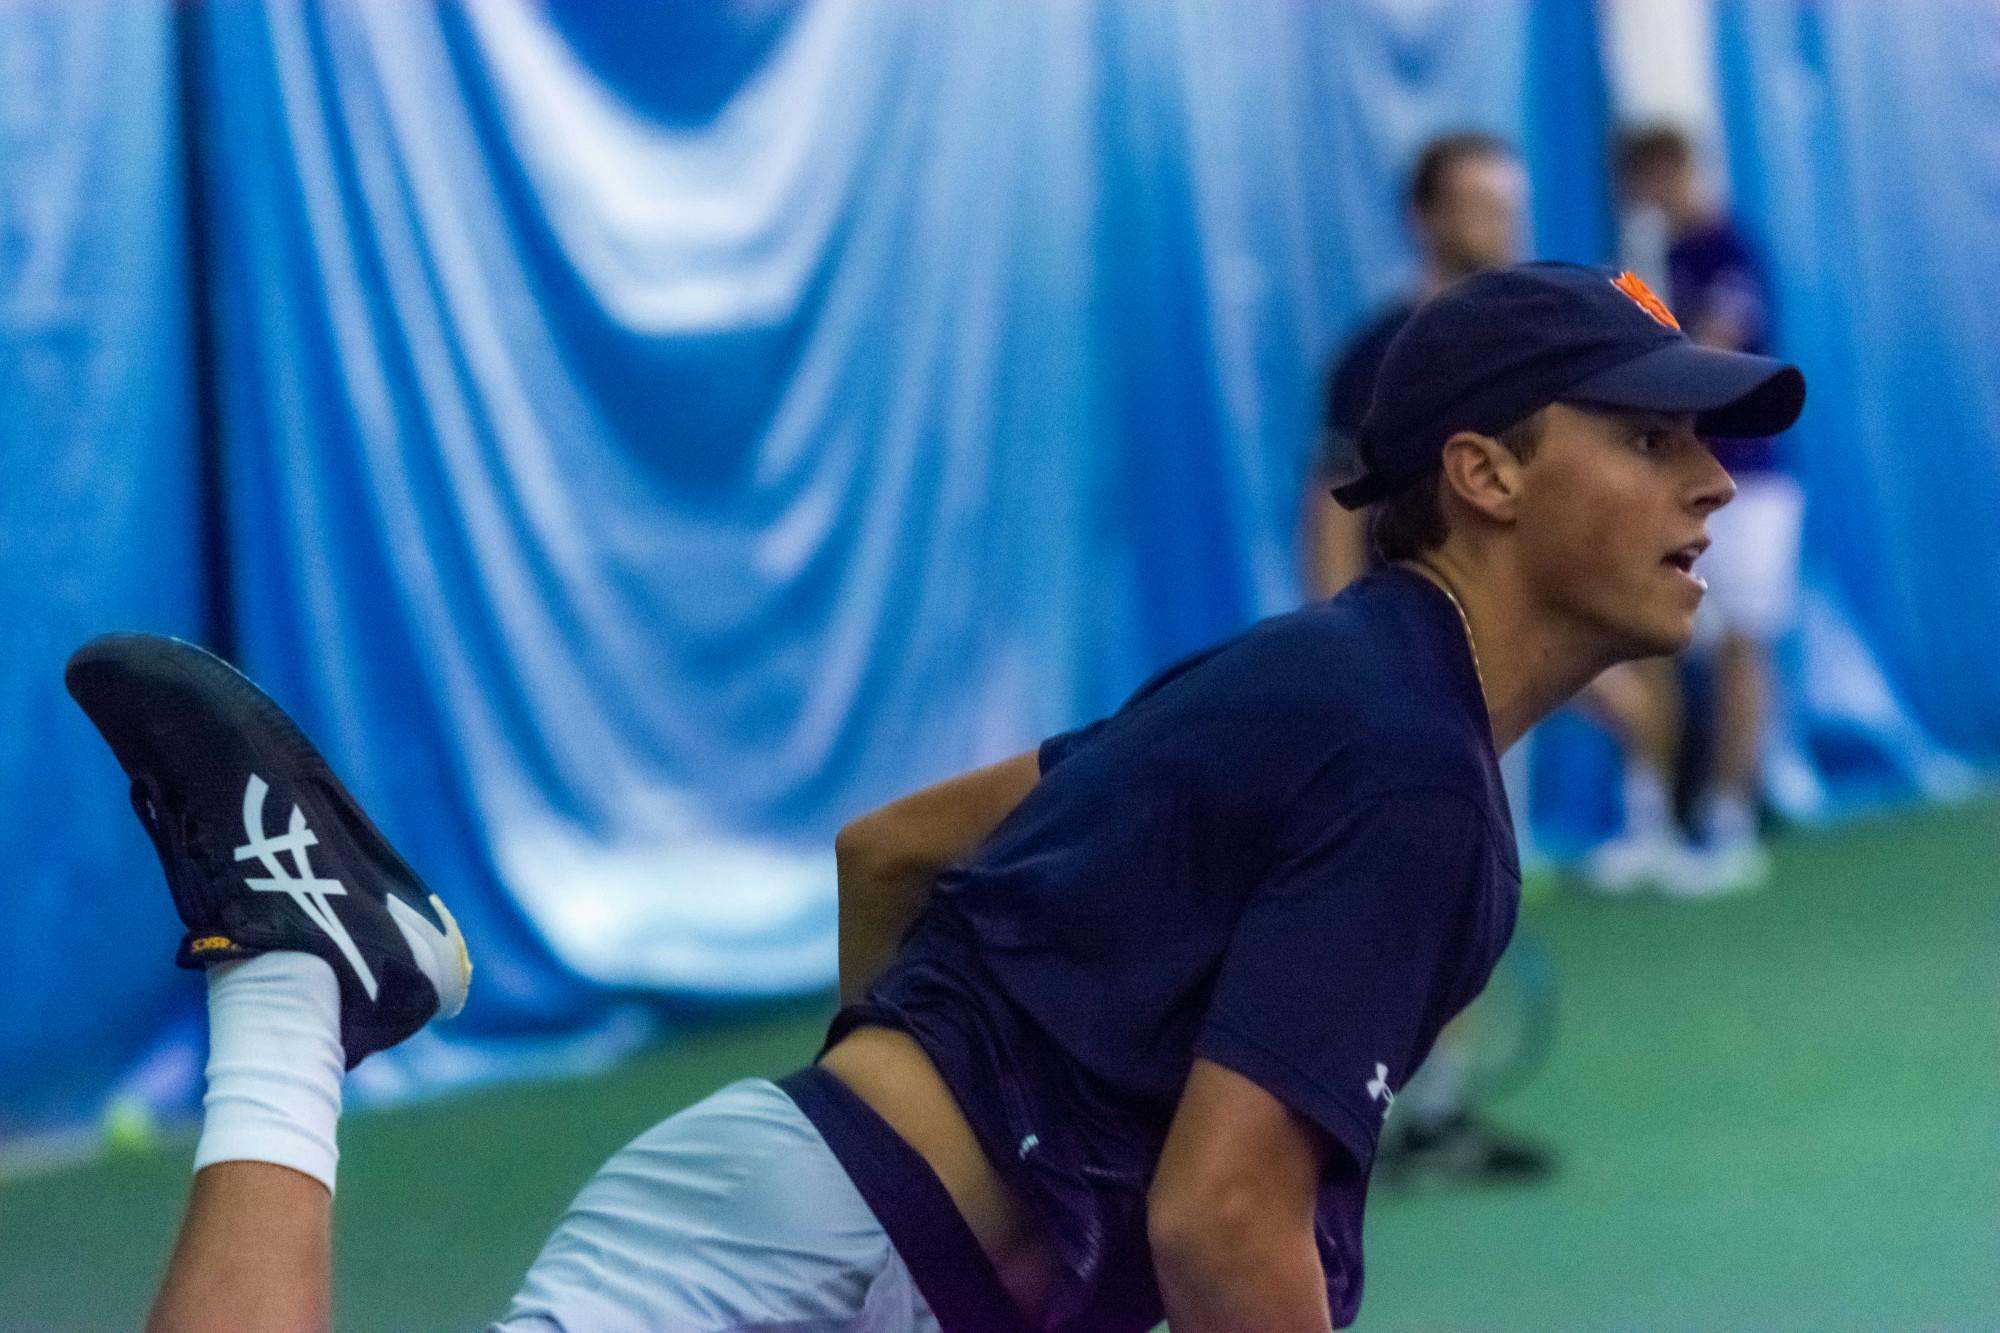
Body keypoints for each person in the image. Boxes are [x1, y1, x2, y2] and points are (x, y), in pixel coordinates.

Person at [69, 262, 1802, 1333]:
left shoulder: (1313, 678)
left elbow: (890, 848)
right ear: (1487, 474)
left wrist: (906, 1157)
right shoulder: (1411, 760)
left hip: (837, 1244)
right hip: (810, 1263)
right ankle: (295, 975)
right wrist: (893, 1196)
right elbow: (1223, 1214)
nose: (1714, 481)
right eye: (1650, 439)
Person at [1305, 131, 1552, 1185]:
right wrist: (1326, 643)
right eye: (1476, 203)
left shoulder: (1534, 355)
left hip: (1502, 666)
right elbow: (1327, 500)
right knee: (1388, 902)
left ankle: (1435, 1110)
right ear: (1425, 215)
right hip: (1396, 661)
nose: (1497, 222)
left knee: (1468, 902)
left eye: (1509, 202)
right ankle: (1352, 1116)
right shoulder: (1376, 356)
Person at [1583, 125, 1806, 898]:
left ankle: (1731, 825)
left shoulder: (1729, 248)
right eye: (1634, 187)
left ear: (1679, 171)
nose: (1645, 197)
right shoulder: (1659, 265)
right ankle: (1650, 823)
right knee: (1653, 643)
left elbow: (1708, 354)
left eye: (1651, 181)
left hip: (1753, 485)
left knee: (1744, 645)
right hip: (1675, 483)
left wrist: (1646, 351)